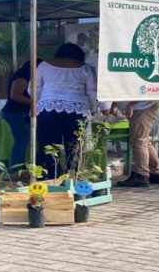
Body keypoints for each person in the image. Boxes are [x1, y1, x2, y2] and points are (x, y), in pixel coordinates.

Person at [34, 43, 109, 177]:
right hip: (77, 109)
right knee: (74, 146)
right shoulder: (86, 68)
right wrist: (94, 109)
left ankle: (49, 177)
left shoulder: (44, 66)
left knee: (48, 145)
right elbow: (92, 91)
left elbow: (34, 89)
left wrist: (35, 106)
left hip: (47, 107)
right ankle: (73, 176)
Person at [0, 59, 42, 166]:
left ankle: (18, 166)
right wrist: (35, 102)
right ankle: (15, 168)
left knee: (22, 142)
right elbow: (15, 96)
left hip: (17, 113)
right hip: (16, 113)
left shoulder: (24, 76)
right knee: (21, 142)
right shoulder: (22, 78)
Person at [116, 102, 159, 187]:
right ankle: (156, 173)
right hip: (145, 105)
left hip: (142, 107)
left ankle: (141, 175)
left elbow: (144, 90)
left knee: (139, 141)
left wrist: (131, 104)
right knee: (144, 140)